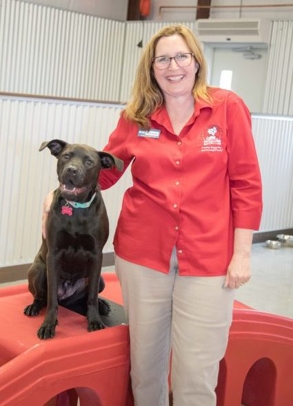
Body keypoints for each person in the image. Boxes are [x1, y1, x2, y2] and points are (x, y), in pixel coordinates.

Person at [42, 25, 262, 406]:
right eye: (162, 58)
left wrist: (242, 254)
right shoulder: (137, 116)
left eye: (181, 56)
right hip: (143, 256)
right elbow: (106, 172)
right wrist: (56, 192)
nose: (172, 66)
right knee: (145, 370)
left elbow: (246, 183)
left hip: (209, 258)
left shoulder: (227, 107)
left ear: (196, 61)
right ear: (152, 67)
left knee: (196, 374)